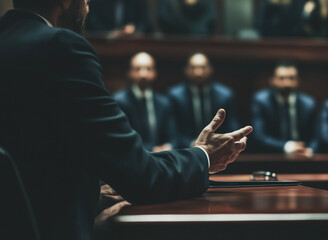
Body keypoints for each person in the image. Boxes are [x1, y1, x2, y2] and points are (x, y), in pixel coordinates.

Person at [0, 1, 252, 239]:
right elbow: (141, 177)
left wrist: (92, 192)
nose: (88, 5)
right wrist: (203, 156)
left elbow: (30, 159)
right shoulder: (61, 47)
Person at [168, 53, 240, 148]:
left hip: (218, 147)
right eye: (194, 68)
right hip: (186, 150)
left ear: (210, 69)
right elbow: (172, 131)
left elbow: (231, 126)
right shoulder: (175, 96)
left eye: (203, 67)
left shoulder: (225, 95)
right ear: (186, 70)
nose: (199, 73)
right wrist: (193, 145)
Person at [114, 52, 177, 152]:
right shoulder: (120, 101)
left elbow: (172, 136)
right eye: (137, 69)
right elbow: (122, 137)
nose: (143, 74)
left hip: (161, 160)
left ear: (155, 72)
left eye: (148, 69)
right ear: (129, 73)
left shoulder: (163, 102)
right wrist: (152, 149)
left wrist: (169, 146)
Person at [251, 62, 317, 156]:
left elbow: (316, 136)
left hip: (303, 156)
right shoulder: (261, 101)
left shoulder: (308, 103)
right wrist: (286, 147)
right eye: (281, 78)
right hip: (272, 156)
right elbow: (258, 136)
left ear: (298, 80)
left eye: (291, 78)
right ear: (272, 80)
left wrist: (311, 150)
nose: (287, 83)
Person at [85, 0, 152, 36]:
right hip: (104, 44)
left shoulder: (138, 1)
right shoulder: (97, 2)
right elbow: (92, 24)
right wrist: (111, 33)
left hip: (133, 44)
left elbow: (145, 24)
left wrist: (135, 29)